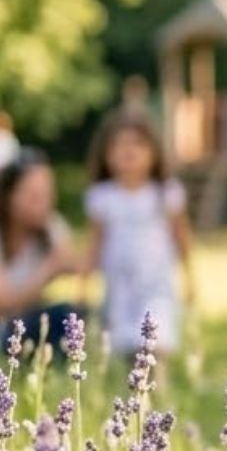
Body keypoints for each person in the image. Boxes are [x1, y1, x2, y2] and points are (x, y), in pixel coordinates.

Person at [83, 106, 194, 362]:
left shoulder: (164, 193)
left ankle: (159, 390)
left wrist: (189, 277)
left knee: (156, 337)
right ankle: (131, 398)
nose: (128, 151)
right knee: (124, 343)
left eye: (137, 144)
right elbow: (95, 242)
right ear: (106, 154)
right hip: (119, 283)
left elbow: (181, 236)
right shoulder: (103, 197)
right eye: (119, 145)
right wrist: (84, 280)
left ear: (154, 153)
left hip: (156, 281)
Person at [0, 148, 88, 348]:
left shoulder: (52, 227)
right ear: (8, 197)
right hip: (5, 330)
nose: (42, 203)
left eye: (46, 194)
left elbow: (77, 270)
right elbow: (4, 304)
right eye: (32, 195)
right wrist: (49, 270)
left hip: (30, 328)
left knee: (72, 316)